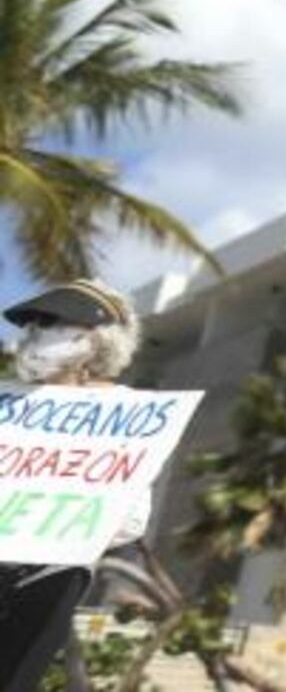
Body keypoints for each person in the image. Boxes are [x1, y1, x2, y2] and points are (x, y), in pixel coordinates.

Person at [0, 281, 149, 692]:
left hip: (51, 575)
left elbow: (132, 519)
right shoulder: (7, 403)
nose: (33, 334)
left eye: (51, 323)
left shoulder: (126, 413)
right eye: (31, 324)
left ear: (94, 339)